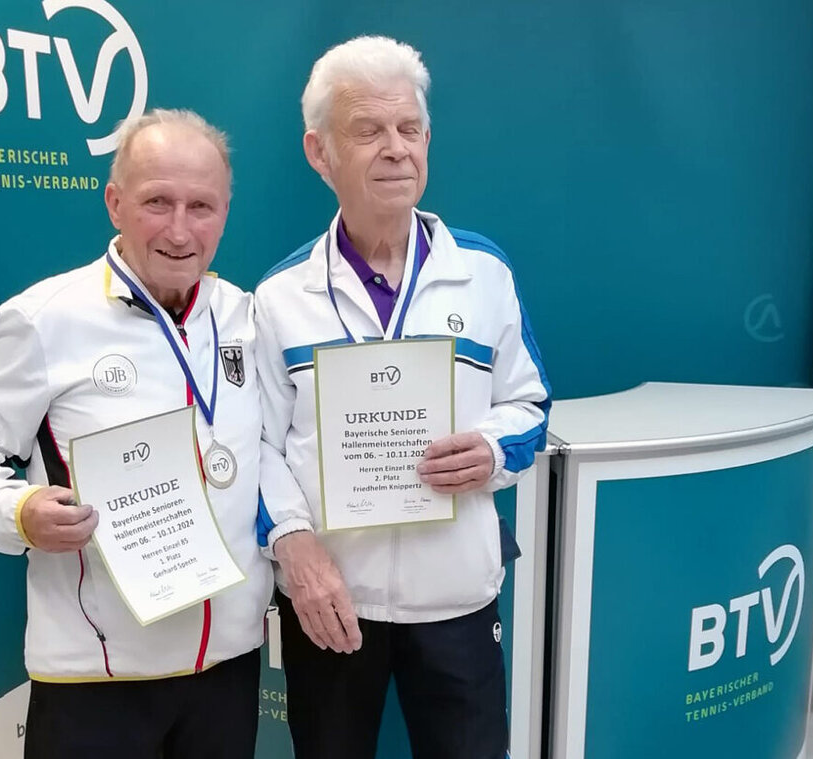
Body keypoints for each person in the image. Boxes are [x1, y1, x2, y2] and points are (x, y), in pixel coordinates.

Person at [0, 108, 272, 759]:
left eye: (201, 205)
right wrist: (19, 510)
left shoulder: (246, 317)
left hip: (228, 665)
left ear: (226, 210)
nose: (180, 229)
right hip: (99, 674)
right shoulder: (45, 319)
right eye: (157, 202)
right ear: (115, 202)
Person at [254, 36, 552, 759]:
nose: (396, 149)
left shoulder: (483, 273)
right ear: (319, 152)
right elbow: (254, 445)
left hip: (456, 600)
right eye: (369, 130)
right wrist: (293, 544)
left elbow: (531, 408)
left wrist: (489, 448)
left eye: (410, 129)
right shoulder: (279, 297)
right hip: (330, 603)